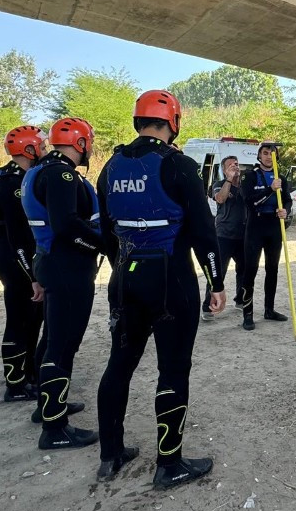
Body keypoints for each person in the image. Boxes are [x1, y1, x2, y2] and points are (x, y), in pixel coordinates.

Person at [94, 89, 227, 488]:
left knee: (119, 366)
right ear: (174, 122)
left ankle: (110, 455)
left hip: (124, 280)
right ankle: (168, 464)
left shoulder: (110, 166)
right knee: (172, 370)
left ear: (138, 122)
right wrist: (216, 281)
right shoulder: (180, 166)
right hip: (172, 283)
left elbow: (105, 233)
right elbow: (205, 231)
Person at [21, 117, 102, 449]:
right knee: (62, 346)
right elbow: (67, 224)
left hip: (51, 261)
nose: (92, 148)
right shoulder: (61, 173)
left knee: (52, 337)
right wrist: (103, 244)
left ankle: (47, 406)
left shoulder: (40, 170)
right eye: (90, 141)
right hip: (66, 266)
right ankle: (55, 428)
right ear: (80, 143)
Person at [0, 125, 48, 402]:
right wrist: (32, 274)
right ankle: (16, 384)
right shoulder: (11, 184)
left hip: (18, 253)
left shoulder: (21, 176)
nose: (46, 150)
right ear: (29, 149)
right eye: (42, 146)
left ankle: (29, 373)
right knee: (19, 319)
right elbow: (18, 236)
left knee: (34, 317)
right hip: (13, 255)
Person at [238, 142, 292, 331]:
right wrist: (270, 189)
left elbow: (287, 199)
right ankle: (248, 314)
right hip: (255, 227)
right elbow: (250, 202)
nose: (269, 157)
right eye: (266, 153)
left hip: (274, 227)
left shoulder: (281, 178)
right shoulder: (249, 176)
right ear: (259, 156)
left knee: (272, 269)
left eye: (273, 154)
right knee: (250, 270)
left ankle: (269, 309)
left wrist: (285, 210)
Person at [201, 155, 247, 319]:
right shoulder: (219, 185)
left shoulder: (244, 185)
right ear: (224, 169)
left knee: (244, 270)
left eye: (236, 163)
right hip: (224, 235)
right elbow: (220, 199)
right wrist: (229, 179)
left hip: (243, 236)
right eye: (230, 165)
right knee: (217, 272)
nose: (235, 166)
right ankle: (208, 306)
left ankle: (240, 300)